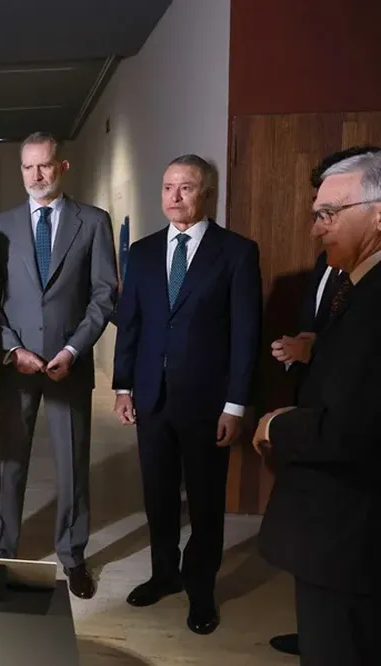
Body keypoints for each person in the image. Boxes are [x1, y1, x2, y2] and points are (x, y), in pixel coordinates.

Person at [111, 154, 262, 635]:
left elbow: (245, 334)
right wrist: (122, 385)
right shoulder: (144, 251)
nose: (174, 197)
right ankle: (163, 574)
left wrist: (235, 404)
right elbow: (130, 323)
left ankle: (201, 590)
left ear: (207, 194)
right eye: (167, 187)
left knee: (204, 500)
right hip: (151, 397)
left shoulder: (237, 252)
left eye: (186, 188)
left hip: (206, 404)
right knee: (157, 495)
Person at [0, 132, 118, 599]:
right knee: (10, 463)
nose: (35, 175)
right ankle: (3, 551)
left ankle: (73, 556)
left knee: (72, 464)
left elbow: (104, 295)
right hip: (17, 366)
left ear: (62, 167)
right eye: (27, 167)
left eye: (44, 166)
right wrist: (14, 350)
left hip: (67, 365)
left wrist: (74, 350)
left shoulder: (93, 222)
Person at [254, 149, 381, 666]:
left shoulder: (374, 299)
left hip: (350, 537)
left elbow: (352, 430)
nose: (316, 229)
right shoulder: (358, 286)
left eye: (329, 214)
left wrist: (276, 426)